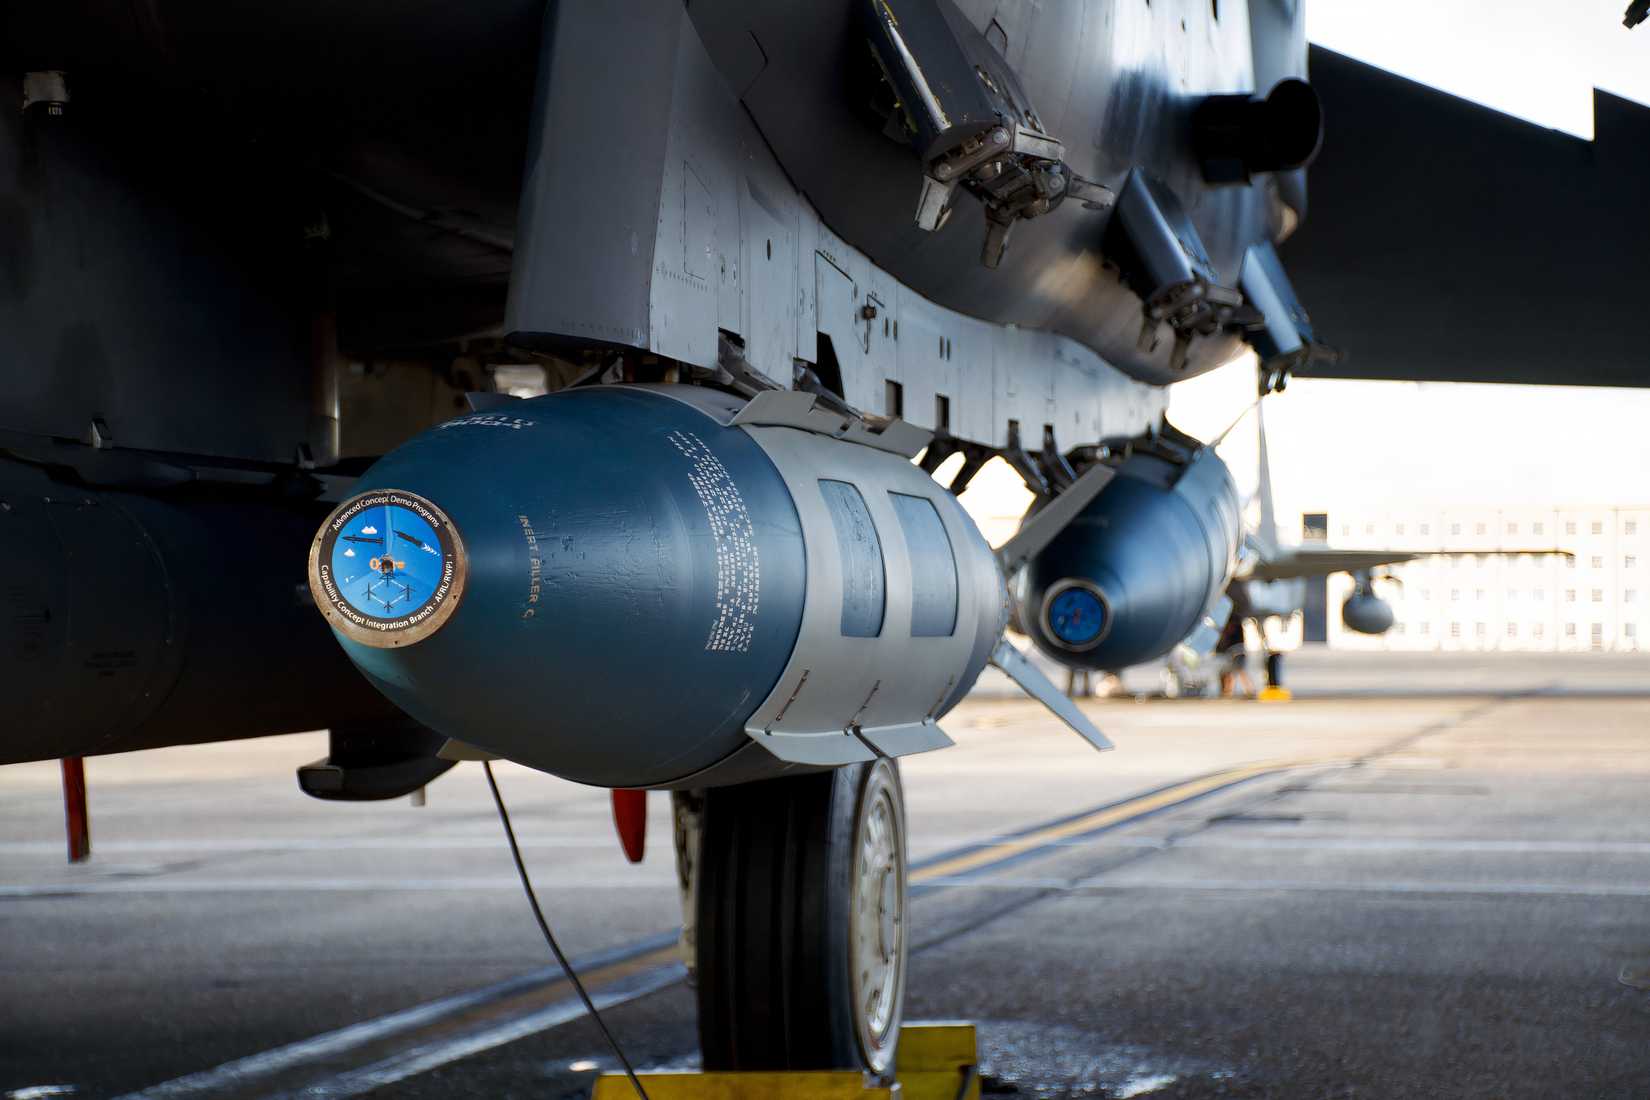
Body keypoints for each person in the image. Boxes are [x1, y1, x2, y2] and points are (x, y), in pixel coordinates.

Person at [1215, 616, 1256, 698]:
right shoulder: (1236, 629)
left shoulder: (1235, 629)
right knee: (1233, 672)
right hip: (1235, 652)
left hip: (1236, 652)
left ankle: (1245, 690)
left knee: (1237, 672)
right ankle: (1230, 691)